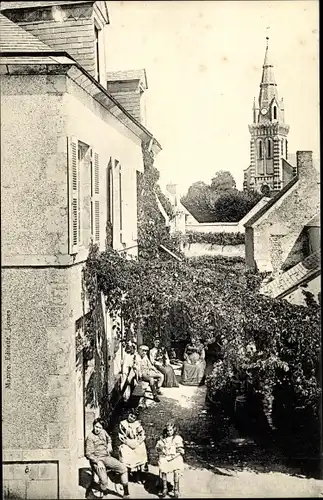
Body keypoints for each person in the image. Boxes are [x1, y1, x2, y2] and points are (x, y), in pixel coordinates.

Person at [85, 417, 130, 498]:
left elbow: (109, 438)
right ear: (93, 426)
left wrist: (109, 444)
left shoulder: (103, 432)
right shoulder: (90, 437)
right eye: (96, 427)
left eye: (100, 427)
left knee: (123, 469)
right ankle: (101, 490)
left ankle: (126, 493)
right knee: (104, 481)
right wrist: (98, 462)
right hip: (97, 459)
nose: (97, 429)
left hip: (106, 457)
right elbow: (88, 454)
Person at [156, 421, 185, 498]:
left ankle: (176, 489)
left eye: (171, 430)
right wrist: (161, 450)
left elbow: (180, 451)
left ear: (174, 430)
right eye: (168, 430)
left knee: (176, 470)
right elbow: (158, 448)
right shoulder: (163, 438)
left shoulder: (177, 438)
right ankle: (164, 487)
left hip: (175, 457)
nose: (169, 432)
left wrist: (172, 456)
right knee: (163, 466)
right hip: (166, 457)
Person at [118, 411, 148, 483]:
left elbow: (141, 434)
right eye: (131, 416)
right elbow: (122, 435)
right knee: (124, 452)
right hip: (127, 441)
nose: (131, 418)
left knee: (140, 453)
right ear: (128, 415)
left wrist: (138, 442)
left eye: (134, 417)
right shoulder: (123, 424)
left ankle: (138, 477)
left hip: (136, 441)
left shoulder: (137, 424)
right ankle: (126, 475)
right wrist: (127, 441)